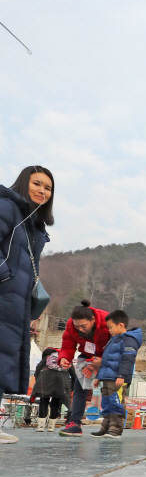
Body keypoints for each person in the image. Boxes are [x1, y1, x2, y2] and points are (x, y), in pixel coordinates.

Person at [0, 166, 54, 443]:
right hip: (4, 294)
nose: (42, 190)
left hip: (15, 303)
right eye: (37, 183)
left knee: (2, 357)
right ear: (23, 183)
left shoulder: (35, 227)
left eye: (48, 188)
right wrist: (5, 276)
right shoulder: (7, 207)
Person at [57, 300, 110, 437]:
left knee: (110, 388)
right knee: (80, 385)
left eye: (83, 326)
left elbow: (119, 345)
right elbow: (68, 345)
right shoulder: (70, 325)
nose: (80, 329)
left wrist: (102, 361)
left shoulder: (107, 321)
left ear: (93, 319)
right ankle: (75, 423)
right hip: (87, 355)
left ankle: (112, 424)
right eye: (77, 326)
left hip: (109, 356)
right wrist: (64, 358)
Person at [92, 311, 142, 438]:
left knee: (116, 403)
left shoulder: (129, 340)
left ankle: (115, 430)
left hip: (118, 379)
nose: (109, 330)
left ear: (121, 325)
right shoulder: (113, 340)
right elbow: (106, 360)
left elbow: (128, 359)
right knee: (107, 404)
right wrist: (99, 377)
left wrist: (121, 376)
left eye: (110, 327)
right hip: (107, 377)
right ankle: (105, 428)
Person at [31, 347, 72, 432]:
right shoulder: (65, 359)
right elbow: (73, 373)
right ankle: (51, 426)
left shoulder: (47, 358)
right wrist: (72, 386)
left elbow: (38, 367)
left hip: (45, 382)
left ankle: (41, 426)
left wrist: (38, 378)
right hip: (60, 384)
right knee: (55, 403)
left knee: (43, 401)